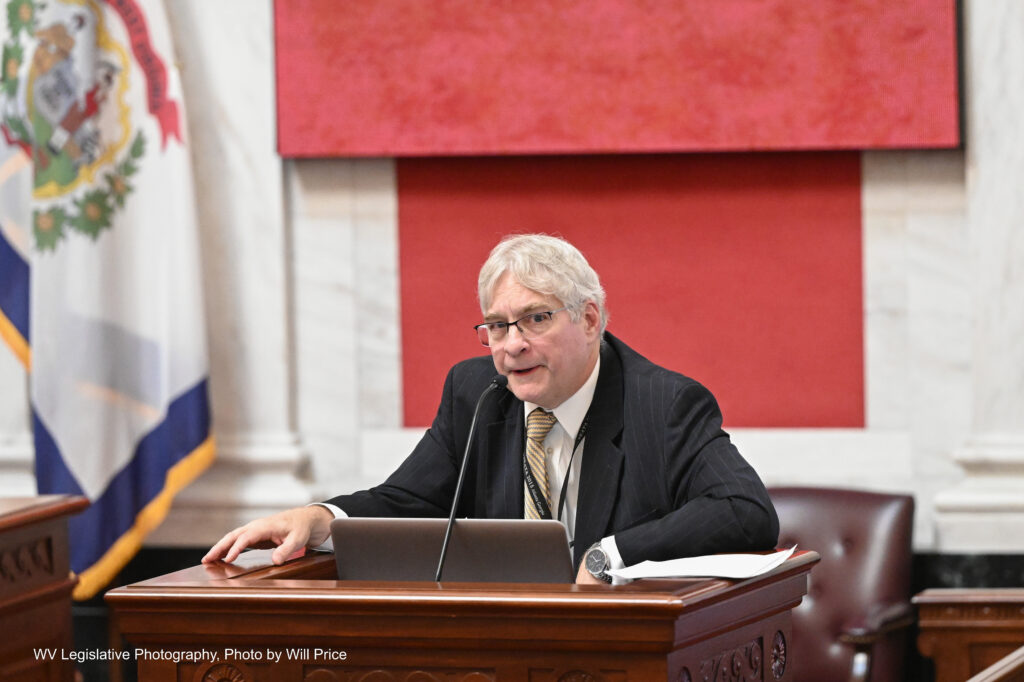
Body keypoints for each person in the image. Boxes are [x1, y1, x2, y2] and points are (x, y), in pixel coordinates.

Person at [204, 234, 779, 584]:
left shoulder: (664, 403)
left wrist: (613, 555)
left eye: (536, 319)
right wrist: (321, 518)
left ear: (590, 320)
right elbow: (409, 500)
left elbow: (745, 510)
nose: (512, 345)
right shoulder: (476, 394)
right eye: (498, 325)